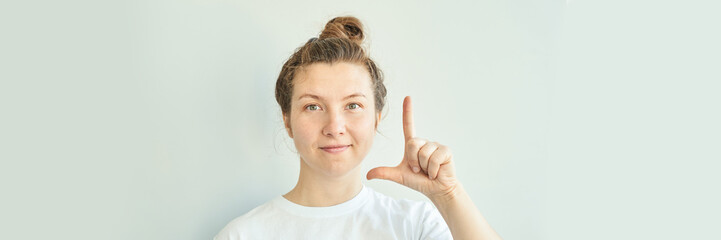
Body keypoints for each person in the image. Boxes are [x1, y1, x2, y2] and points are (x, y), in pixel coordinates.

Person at [214, 16, 502, 240]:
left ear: (376, 118)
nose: (334, 127)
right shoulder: (244, 234)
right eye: (313, 106)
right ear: (287, 120)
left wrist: (448, 195)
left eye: (352, 105)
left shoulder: (415, 225)